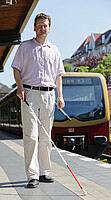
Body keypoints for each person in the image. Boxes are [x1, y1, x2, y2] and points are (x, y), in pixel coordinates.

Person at [11, 13, 65, 188]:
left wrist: (60, 96)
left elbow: (58, 75)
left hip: (49, 96)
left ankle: (44, 172)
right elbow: (16, 69)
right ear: (34, 28)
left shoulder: (54, 50)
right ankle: (32, 176)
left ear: (50, 28)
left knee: (45, 137)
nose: (43, 28)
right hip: (30, 94)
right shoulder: (25, 47)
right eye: (40, 25)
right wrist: (20, 88)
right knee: (31, 136)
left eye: (45, 25)